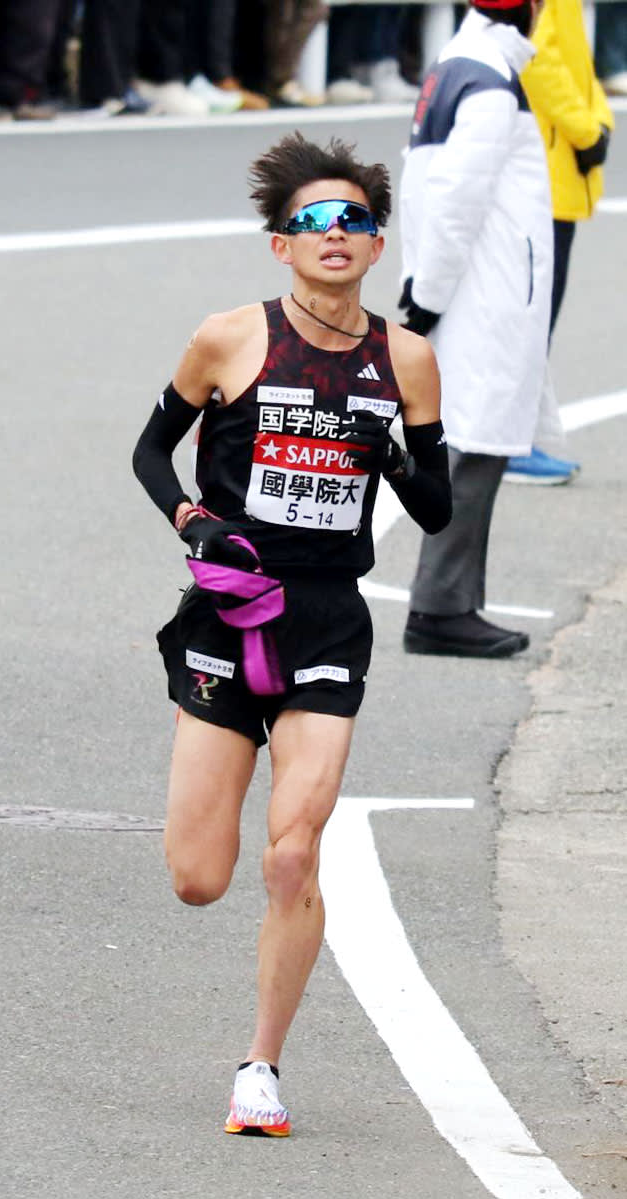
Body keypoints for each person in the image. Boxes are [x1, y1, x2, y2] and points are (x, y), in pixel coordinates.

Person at [132, 132, 451, 1135]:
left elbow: (436, 509)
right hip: (228, 619)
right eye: (312, 220)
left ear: (376, 241)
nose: (333, 234)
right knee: (199, 875)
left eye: (352, 219)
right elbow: (150, 452)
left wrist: (390, 450)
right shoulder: (228, 337)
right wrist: (194, 520)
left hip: (325, 622)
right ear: (280, 244)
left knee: (291, 854)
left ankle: (260, 1067)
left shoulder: (404, 358)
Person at [398, 0, 553, 658]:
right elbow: (455, 198)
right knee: (473, 444)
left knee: (472, 440)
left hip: (469, 282)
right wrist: (427, 295)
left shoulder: (459, 66)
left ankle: (453, 602)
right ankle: (439, 608)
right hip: (480, 289)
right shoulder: (488, 81)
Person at [503, 0, 614, 485]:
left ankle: (511, 438)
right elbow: (540, 57)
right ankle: (507, 442)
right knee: (530, 315)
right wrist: (587, 128)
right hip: (547, 173)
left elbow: (575, 63)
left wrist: (598, 118)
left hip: (555, 170)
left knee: (534, 314)